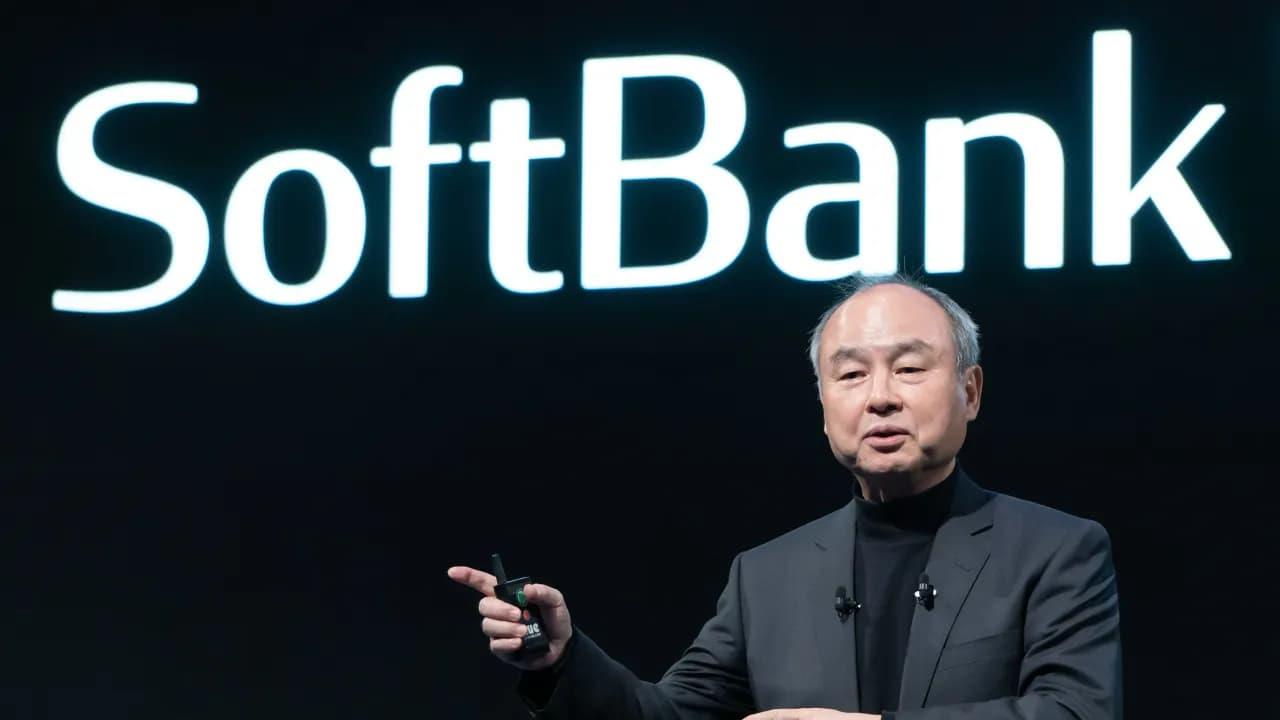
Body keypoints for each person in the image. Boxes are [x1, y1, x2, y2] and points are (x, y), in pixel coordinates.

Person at [447, 275, 1122, 720]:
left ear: (969, 392)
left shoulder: (1056, 550)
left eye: (910, 368)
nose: (880, 396)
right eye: (851, 375)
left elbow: (1077, 711)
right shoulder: (765, 576)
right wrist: (561, 659)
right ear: (824, 406)